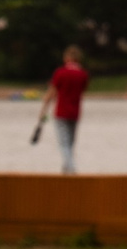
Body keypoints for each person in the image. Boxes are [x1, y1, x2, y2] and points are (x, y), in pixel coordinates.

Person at [37, 45, 89, 173]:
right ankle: (66, 172)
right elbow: (82, 91)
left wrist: (43, 111)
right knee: (70, 144)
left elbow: (51, 93)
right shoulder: (83, 75)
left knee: (64, 145)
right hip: (75, 113)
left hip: (61, 113)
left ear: (67, 58)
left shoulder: (60, 73)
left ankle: (71, 170)